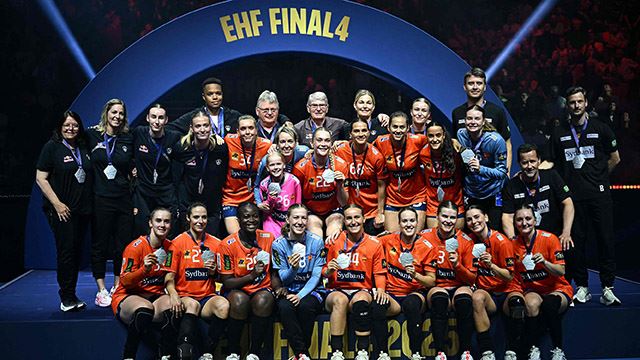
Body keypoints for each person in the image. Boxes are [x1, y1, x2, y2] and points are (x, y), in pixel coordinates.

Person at [543, 86, 621, 306]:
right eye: (572, 102)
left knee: (605, 240)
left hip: (599, 196)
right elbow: (551, 162)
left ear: (586, 103)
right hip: (573, 200)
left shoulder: (601, 128)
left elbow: (615, 158)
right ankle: (583, 287)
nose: (576, 106)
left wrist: (599, 179)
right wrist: (532, 170)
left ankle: (607, 287)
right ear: (567, 105)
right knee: (576, 244)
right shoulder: (559, 133)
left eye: (579, 101)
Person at [36, 110, 92, 311]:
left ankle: (72, 294)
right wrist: (57, 204)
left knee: (75, 253)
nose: (71, 129)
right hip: (62, 211)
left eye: (75, 125)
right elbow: (41, 178)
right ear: (60, 127)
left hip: (82, 211)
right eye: (67, 125)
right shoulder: (52, 148)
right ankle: (66, 297)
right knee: (66, 253)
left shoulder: (83, 147)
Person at [322, 204, 387, 360]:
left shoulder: (375, 243)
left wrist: (381, 290)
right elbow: (323, 273)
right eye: (349, 218)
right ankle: (336, 352)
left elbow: (379, 273)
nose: (353, 222)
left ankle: (362, 351)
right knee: (340, 300)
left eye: (357, 217)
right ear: (344, 221)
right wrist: (328, 271)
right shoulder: (334, 241)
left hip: (361, 290)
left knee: (361, 300)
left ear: (364, 219)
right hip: (337, 290)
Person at [164, 203, 229, 359]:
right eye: (196, 217)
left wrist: (214, 272)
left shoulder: (216, 243)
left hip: (206, 297)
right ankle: (184, 354)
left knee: (223, 306)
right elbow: (168, 277)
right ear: (188, 218)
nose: (200, 221)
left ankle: (207, 353)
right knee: (192, 304)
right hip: (185, 296)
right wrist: (173, 295)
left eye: (204, 217)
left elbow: (222, 277)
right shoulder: (177, 243)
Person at [218, 202, 282, 360]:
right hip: (237, 289)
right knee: (240, 301)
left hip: (261, 288)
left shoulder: (268, 238)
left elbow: (273, 272)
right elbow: (227, 282)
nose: (251, 220)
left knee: (264, 299)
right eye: (246, 216)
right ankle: (233, 352)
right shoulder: (227, 245)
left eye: (255, 216)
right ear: (238, 220)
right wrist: (251, 276)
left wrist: (278, 287)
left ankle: (254, 353)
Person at [87, 98, 134, 307]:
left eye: (121, 113)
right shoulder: (91, 135)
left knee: (122, 246)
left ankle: (117, 285)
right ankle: (101, 289)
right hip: (100, 198)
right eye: (114, 112)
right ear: (106, 113)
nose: (117, 117)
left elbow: (132, 167)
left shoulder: (127, 138)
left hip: (123, 199)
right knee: (100, 244)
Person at [112, 208, 174, 359]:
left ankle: (166, 355)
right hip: (128, 295)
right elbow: (125, 281)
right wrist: (144, 270)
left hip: (155, 296)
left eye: (166, 221)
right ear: (150, 223)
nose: (162, 225)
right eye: (158, 220)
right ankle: (129, 356)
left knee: (174, 306)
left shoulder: (170, 247)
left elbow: (170, 276)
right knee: (144, 309)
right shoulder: (135, 247)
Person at [373, 208, 435, 360]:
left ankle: (416, 353)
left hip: (415, 293)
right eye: (405, 221)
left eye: (412, 221)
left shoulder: (427, 246)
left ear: (417, 222)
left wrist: (415, 275)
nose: (409, 224)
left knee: (411, 304)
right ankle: (382, 353)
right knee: (377, 306)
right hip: (392, 295)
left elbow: (431, 281)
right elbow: (365, 241)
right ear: (399, 223)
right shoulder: (387, 240)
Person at [512, 205, 573, 360]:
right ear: (515, 223)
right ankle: (533, 349)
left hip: (557, 288)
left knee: (548, 304)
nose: (524, 223)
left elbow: (561, 271)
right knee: (531, 304)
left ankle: (558, 350)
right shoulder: (512, 244)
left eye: (528, 218)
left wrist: (545, 262)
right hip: (533, 289)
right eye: (519, 219)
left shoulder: (550, 239)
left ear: (535, 220)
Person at [465, 206, 523, 360]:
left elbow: (509, 276)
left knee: (517, 303)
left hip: (508, 290)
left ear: (486, 217)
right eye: (469, 219)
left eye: (477, 217)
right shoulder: (469, 241)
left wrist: (491, 266)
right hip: (488, 294)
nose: (473, 222)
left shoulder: (502, 242)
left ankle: (512, 350)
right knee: (476, 297)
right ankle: (487, 351)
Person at [420, 201, 476, 360]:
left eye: (452, 217)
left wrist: (457, 265)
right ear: (437, 217)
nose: (448, 221)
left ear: (457, 219)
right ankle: (440, 353)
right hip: (437, 287)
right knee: (439, 300)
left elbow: (472, 278)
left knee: (464, 300)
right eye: (444, 216)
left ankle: (466, 352)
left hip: (459, 285)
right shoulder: (424, 237)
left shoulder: (465, 241)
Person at [271, 204, 326, 360]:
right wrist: (293, 268)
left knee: (305, 306)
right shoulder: (278, 245)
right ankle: (303, 354)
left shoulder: (316, 241)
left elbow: (316, 276)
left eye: (304, 218)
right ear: (287, 219)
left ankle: (300, 355)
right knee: (284, 307)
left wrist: (300, 295)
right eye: (296, 217)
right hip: (289, 289)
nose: (300, 222)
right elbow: (284, 278)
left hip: (311, 290)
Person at [502, 144, 574, 247]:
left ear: (539, 160)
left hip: (555, 237)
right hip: (525, 241)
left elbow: (568, 203)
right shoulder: (511, 186)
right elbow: (507, 217)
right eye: (525, 163)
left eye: (532, 161)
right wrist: (513, 241)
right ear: (519, 163)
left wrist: (566, 232)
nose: (529, 166)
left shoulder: (551, 176)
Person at [171, 111, 228, 237]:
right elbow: (175, 180)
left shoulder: (220, 148)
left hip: (211, 205)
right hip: (188, 203)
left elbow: (223, 176)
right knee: (188, 244)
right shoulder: (182, 149)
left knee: (211, 244)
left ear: (210, 127)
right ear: (191, 129)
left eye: (206, 125)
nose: (202, 130)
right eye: (198, 126)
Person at [131, 104, 181, 237]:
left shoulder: (174, 137)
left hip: (165, 191)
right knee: (142, 229)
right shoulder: (138, 133)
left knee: (170, 229)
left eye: (160, 118)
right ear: (147, 118)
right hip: (144, 191)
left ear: (166, 120)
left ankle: (166, 257)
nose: (157, 121)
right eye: (153, 117)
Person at [374, 111, 428, 232]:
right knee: (392, 238)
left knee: (413, 237)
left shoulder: (418, 140)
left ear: (408, 128)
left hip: (416, 197)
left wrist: (455, 142)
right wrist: (343, 142)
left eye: (402, 127)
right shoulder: (380, 141)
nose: (398, 130)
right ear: (389, 127)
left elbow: (439, 141)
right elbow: (364, 148)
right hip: (393, 197)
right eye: (395, 127)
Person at [451, 68, 512, 174]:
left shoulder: (497, 111)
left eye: (479, 83)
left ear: (484, 87)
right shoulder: (457, 112)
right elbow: (455, 141)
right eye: (471, 83)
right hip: (467, 176)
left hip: (492, 174)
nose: (475, 87)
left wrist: (506, 173)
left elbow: (507, 143)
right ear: (464, 87)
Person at [457, 105, 508, 228]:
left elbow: (501, 173)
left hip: (492, 192)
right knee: (472, 230)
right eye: (469, 119)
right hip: (471, 192)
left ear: (483, 121)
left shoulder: (496, 141)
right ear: (465, 120)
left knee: (493, 229)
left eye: (477, 118)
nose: (473, 122)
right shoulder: (461, 135)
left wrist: (481, 169)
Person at [293, 127, 349, 238]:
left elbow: (343, 202)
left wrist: (339, 185)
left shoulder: (340, 165)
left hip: (334, 211)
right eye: (319, 140)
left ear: (331, 143)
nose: (323, 144)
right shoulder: (300, 168)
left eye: (327, 140)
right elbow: (297, 199)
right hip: (311, 211)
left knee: (333, 237)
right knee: (316, 237)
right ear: (312, 143)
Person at [334, 120, 387, 235]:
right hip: (349, 211)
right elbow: (323, 153)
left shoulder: (376, 156)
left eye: (364, 130)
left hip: (371, 211)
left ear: (369, 133)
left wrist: (380, 213)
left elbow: (381, 185)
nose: (360, 134)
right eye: (356, 131)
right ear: (350, 134)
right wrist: (311, 151)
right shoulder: (340, 150)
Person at [222, 115, 271, 234]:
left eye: (250, 128)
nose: (247, 132)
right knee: (236, 237)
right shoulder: (229, 140)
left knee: (252, 236)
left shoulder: (267, 145)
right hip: (231, 199)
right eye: (243, 129)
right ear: (238, 131)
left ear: (256, 130)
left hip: (253, 199)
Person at [419, 122, 465, 229]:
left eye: (438, 135)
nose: (435, 139)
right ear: (426, 136)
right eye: (431, 136)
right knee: (435, 240)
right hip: (433, 204)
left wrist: (460, 147)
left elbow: (471, 160)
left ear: (444, 135)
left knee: (454, 242)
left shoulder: (455, 151)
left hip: (455, 203)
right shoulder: (423, 153)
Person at [167, 77, 242, 137]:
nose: (215, 97)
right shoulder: (194, 115)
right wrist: (188, 137)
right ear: (204, 96)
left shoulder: (234, 116)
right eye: (210, 94)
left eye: (218, 93)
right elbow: (169, 129)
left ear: (222, 94)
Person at [254, 126, 309, 204]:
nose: (286, 146)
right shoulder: (266, 161)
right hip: (275, 200)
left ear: (296, 143)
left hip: (296, 196)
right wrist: (259, 203)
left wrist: (312, 151)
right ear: (277, 144)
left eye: (290, 141)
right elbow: (256, 186)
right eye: (282, 142)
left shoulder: (303, 152)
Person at [257, 151, 302, 238]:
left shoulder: (294, 181)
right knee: (271, 241)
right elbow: (267, 210)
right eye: (272, 165)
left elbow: (298, 206)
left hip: (289, 221)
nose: (276, 167)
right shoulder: (264, 184)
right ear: (267, 168)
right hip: (272, 221)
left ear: (284, 165)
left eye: (278, 164)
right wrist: (271, 199)